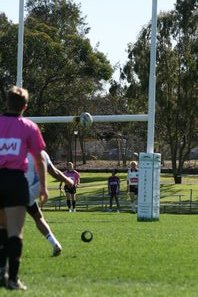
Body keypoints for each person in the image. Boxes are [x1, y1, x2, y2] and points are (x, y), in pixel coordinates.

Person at [0, 86, 48, 290]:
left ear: (7, 103)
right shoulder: (29, 127)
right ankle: (13, 280)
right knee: (15, 231)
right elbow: (39, 159)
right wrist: (44, 187)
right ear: (25, 107)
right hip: (15, 180)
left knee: (1, 229)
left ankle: (1, 271)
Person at [25, 151, 74, 256]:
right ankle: (55, 243)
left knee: (8, 225)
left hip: (12, 192)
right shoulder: (41, 153)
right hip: (30, 193)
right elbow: (54, 172)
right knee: (38, 217)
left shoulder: (14, 149)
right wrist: (68, 181)